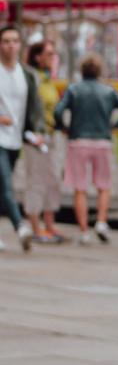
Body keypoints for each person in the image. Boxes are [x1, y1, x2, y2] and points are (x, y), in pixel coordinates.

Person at [54, 53, 118, 245]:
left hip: (78, 141)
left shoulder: (73, 89)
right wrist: (117, 125)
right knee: (103, 185)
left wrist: (64, 128)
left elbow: (58, 111)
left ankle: (84, 231)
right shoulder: (108, 91)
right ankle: (101, 221)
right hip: (102, 141)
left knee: (80, 188)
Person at [0, 25, 41, 251]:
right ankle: (20, 227)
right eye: (6, 41)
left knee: (2, 187)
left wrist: (37, 131)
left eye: (15, 40)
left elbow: (33, 107)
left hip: (16, 138)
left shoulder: (25, 73)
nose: (11, 45)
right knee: (6, 185)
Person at [24, 40, 68, 243]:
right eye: (48, 54)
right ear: (37, 57)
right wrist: (33, 130)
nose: (52, 57)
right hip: (36, 137)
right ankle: (35, 225)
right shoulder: (32, 77)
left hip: (50, 135)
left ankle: (49, 224)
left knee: (52, 180)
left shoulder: (48, 79)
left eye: (54, 53)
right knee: (36, 182)